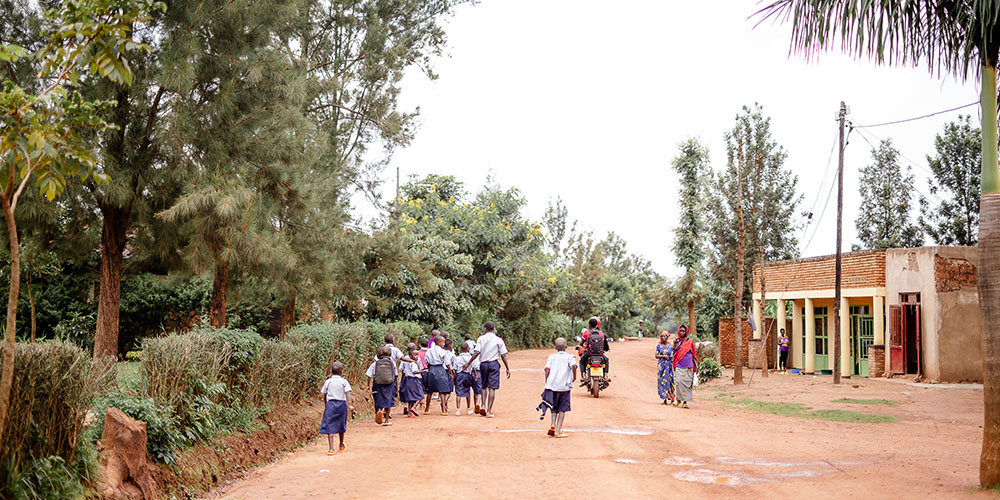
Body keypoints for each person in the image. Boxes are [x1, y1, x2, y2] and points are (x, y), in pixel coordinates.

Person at [464, 321, 511, 418]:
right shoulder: (499, 340)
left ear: (485, 329)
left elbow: (476, 352)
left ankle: (483, 405)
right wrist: (507, 368)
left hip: (483, 364)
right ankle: (489, 411)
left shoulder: (481, 338)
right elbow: (503, 355)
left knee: (484, 386)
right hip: (494, 364)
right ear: (493, 329)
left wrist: (468, 363)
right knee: (492, 388)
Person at [543, 337, 577, 438]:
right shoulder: (570, 357)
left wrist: (547, 381)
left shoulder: (551, 357)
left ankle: (552, 424)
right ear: (566, 346)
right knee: (562, 408)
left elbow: (547, 369)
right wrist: (574, 377)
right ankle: (558, 431)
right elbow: (574, 366)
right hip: (564, 387)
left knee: (553, 407)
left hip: (552, 386)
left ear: (555, 347)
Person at [319, 361, 353, 455]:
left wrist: (326, 404)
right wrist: (350, 404)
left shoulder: (328, 381)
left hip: (330, 405)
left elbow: (324, 393)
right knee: (341, 424)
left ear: (331, 372)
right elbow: (348, 393)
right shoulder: (344, 381)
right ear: (341, 372)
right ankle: (341, 445)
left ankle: (331, 449)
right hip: (341, 404)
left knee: (330, 424)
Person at [365, 347, 397, 426]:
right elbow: (395, 374)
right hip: (390, 383)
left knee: (380, 398)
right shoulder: (392, 362)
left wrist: (368, 385)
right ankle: (386, 420)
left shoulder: (375, 364)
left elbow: (369, 375)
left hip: (378, 383)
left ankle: (379, 410)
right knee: (388, 400)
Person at [424, 336, 453, 415]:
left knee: (430, 390)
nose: (443, 344)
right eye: (443, 342)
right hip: (440, 369)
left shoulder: (429, 351)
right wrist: (450, 372)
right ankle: (443, 410)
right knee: (442, 390)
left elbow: (426, 360)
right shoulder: (443, 351)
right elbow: (447, 363)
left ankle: (427, 409)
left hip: (431, 369)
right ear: (439, 342)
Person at [672, 325, 698, 408]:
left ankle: (685, 402)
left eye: (683, 331)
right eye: (680, 331)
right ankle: (678, 400)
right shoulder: (676, 342)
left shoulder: (690, 341)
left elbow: (693, 354)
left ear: (686, 332)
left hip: (689, 365)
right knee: (679, 382)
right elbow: (674, 353)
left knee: (687, 384)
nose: (682, 332)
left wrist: (696, 366)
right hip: (679, 364)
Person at [579, 317, 610, 382]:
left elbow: (581, 343)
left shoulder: (586, 332)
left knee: (581, 361)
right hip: (600, 354)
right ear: (597, 325)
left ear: (589, 325)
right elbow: (604, 345)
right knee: (606, 360)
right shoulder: (601, 333)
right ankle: (606, 375)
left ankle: (583, 375)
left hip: (589, 353)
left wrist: (580, 346)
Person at [400, 349, 427, 417]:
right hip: (414, 380)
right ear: (410, 356)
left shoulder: (406, 363)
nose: (417, 356)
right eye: (415, 355)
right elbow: (414, 372)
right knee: (421, 395)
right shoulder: (413, 363)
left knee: (410, 397)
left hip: (408, 380)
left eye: (417, 354)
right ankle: (414, 407)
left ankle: (409, 413)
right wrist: (424, 371)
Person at [452, 343, 476, 415]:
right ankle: (468, 409)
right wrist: (475, 375)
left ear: (460, 349)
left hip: (459, 375)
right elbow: (473, 367)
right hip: (467, 375)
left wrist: (454, 377)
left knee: (458, 392)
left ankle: (458, 410)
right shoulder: (470, 357)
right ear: (468, 349)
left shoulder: (457, 358)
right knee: (467, 391)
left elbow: (455, 369)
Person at [655, 331, 675, 405]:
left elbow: (673, 355)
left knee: (670, 380)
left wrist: (670, 357)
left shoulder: (671, 345)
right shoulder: (659, 346)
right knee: (662, 381)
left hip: (669, 366)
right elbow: (656, 355)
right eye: (662, 336)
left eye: (665, 336)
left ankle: (672, 398)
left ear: (668, 337)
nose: (664, 337)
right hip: (661, 367)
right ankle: (665, 399)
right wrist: (664, 356)